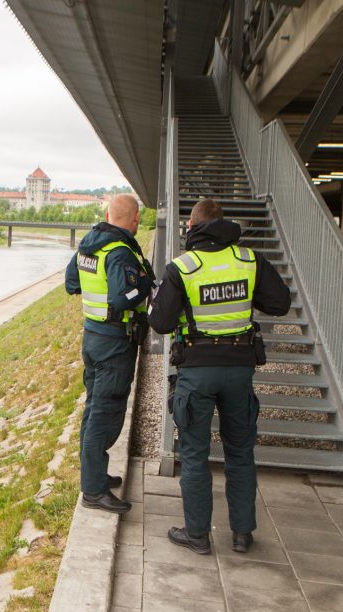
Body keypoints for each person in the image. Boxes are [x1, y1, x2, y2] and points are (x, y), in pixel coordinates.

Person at [148, 198, 291, 554]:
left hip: (197, 370)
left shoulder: (183, 267)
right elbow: (280, 303)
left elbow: (160, 323)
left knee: (195, 454)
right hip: (239, 370)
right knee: (240, 452)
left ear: (192, 227)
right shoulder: (249, 261)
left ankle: (197, 535)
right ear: (223, 224)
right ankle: (242, 533)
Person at [65, 194, 154, 514]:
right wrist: (145, 281)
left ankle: (96, 475)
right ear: (135, 220)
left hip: (92, 337)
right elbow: (123, 297)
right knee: (105, 414)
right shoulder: (120, 252)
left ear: (106, 213)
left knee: (94, 410)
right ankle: (93, 490)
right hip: (115, 342)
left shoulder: (89, 246)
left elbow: (71, 284)